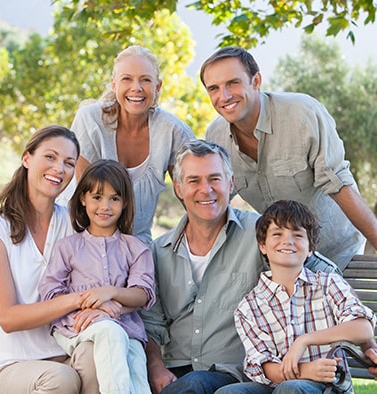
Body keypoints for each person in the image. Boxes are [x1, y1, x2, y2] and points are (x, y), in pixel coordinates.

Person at [140, 140, 339, 394]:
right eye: (194, 181)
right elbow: (151, 323)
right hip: (175, 370)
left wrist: (366, 342)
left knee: (192, 385)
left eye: (215, 179)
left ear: (230, 183)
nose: (206, 190)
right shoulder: (159, 251)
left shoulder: (261, 235)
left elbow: (321, 269)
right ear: (178, 188)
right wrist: (155, 366)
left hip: (236, 372)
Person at [200, 46, 377, 269]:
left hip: (339, 252)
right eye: (213, 88)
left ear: (256, 81)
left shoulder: (302, 114)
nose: (223, 96)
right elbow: (216, 200)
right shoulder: (215, 136)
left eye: (233, 83)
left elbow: (339, 184)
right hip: (283, 258)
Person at [0, 125, 100, 394]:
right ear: (27, 159)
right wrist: (75, 299)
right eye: (50, 157)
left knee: (100, 355)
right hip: (13, 365)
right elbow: (8, 318)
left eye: (69, 163)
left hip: (66, 351)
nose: (59, 168)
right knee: (61, 379)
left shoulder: (75, 226)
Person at [215, 199, 376, 394]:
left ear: (310, 249)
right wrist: (304, 370)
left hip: (327, 386)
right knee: (229, 393)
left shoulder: (327, 284)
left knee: (291, 388)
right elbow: (263, 365)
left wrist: (305, 340)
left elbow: (363, 328)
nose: (287, 240)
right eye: (277, 233)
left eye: (298, 235)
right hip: (276, 385)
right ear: (262, 245)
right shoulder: (249, 307)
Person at [39, 159, 156, 394]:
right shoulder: (68, 247)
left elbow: (142, 294)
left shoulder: (136, 248)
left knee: (135, 365)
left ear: (124, 203)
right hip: (75, 325)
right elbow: (50, 293)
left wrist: (110, 293)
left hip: (127, 328)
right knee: (109, 331)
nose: (105, 206)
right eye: (97, 197)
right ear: (83, 199)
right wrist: (92, 306)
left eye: (114, 198)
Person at [60, 44, 195, 245]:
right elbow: (86, 200)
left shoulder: (173, 131)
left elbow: (194, 193)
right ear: (114, 85)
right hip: (79, 235)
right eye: (127, 79)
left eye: (145, 80)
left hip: (135, 244)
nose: (136, 88)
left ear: (157, 87)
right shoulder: (89, 120)